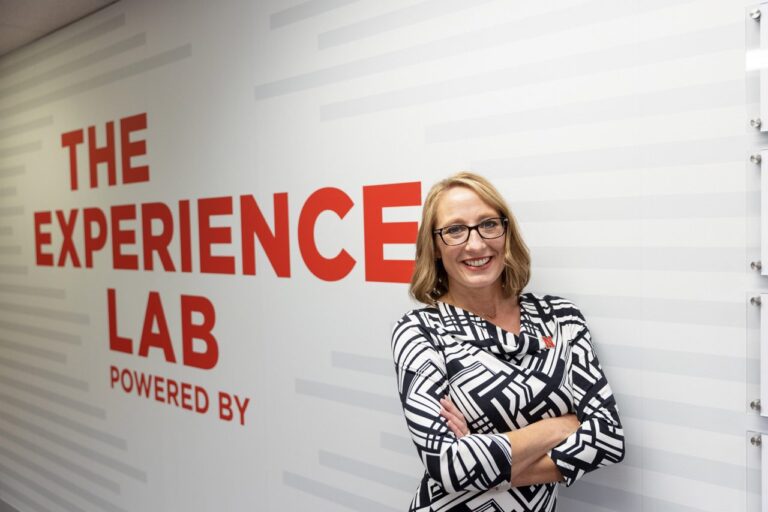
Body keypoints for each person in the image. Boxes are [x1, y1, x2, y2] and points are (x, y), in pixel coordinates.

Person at [391, 172, 624, 512]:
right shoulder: (420, 331)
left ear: (506, 232)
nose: (475, 244)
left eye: (488, 224)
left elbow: (607, 439)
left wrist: (481, 457)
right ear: (435, 246)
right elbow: (448, 467)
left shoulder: (561, 318)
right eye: (455, 230)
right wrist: (558, 426)